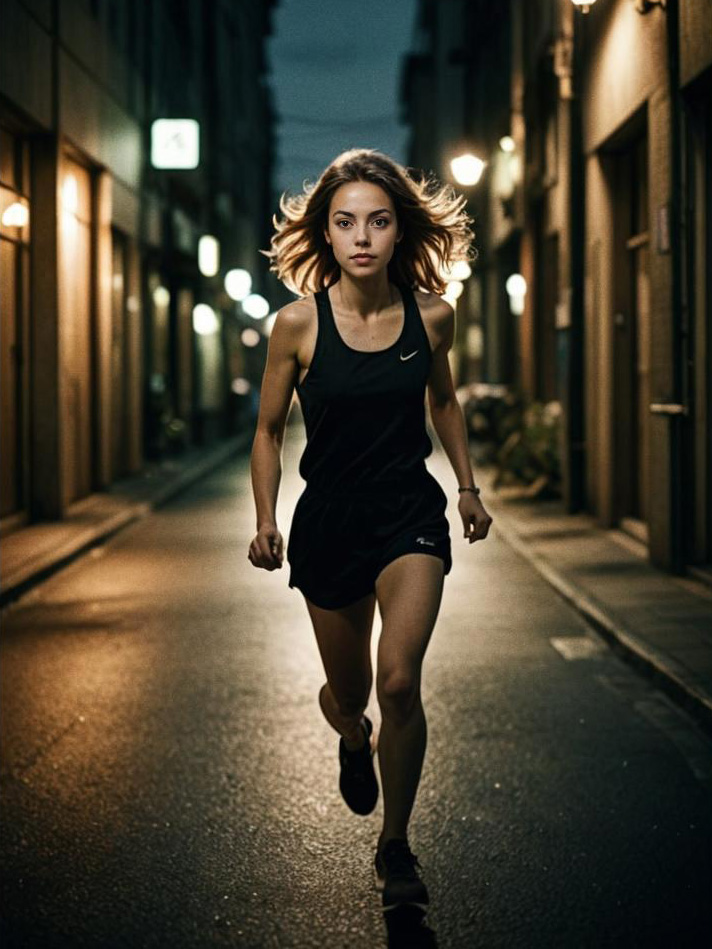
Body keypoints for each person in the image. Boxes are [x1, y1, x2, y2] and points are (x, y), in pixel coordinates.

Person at [248, 148, 493, 913]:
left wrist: (467, 487)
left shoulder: (432, 316)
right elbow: (265, 432)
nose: (363, 237)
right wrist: (266, 518)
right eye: (346, 222)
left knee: (399, 682)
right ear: (326, 233)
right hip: (330, 523)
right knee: (351, 692)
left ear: (397, 231)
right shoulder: (296, 325)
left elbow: (444, 401)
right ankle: (352, 736)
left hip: (407, 516)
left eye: (379, 221)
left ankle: (395, 844)